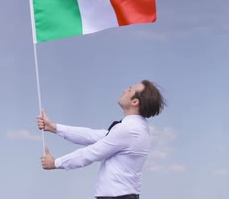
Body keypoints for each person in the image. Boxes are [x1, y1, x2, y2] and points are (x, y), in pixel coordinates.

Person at [36, 79, 166, 199]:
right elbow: (92, 135)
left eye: (130, 89)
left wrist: (56, 163)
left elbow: (91, 153)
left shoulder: (128, 130)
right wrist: (54, 127)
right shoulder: (135, 128)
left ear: (135, 102)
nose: (125, 90)